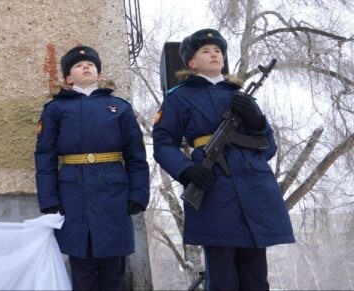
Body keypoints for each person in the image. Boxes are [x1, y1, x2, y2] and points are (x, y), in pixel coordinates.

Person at [152, 28, 294, 291]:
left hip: (253, 186)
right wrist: (186, 170)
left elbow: (268, 149)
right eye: (205, 51)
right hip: (214, 187)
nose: (214, 54)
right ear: (191, 63)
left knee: (256, 277)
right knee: (223, 277)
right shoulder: (178, 97)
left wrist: (257, 121)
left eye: (218, 50)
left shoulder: (240, 97)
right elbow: (163, 144)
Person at [35, 45, 150, 290]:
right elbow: (45, 157)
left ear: (98, 74)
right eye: (78, 65)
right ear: (68, 78)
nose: (86, 67)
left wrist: (139, 193)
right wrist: (49, 200)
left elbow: (136, 155)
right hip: (73, 194)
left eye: (91, 65)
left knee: (114, 270)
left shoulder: (119, 107)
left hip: (113, 193)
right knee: (81, 268)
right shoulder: (55, 109)